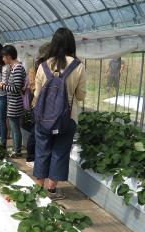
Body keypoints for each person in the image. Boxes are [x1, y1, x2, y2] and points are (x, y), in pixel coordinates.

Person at [32, 28, 86, 200]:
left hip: (44, 118)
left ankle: (38, 188)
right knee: (60, 152)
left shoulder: (43, 66)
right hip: (67, 118)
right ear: (71, 44)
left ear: (53, 44)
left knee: (42, 150)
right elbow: (80, 95)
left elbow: (37, 94)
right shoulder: (78, 66)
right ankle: (51, 190)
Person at [0, 45, 26, 157]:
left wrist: (2, 87)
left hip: (15, 103)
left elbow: (16, 88)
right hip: (13, 102)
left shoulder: (17, 69)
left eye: (4, 57)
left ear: (9, 56)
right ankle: (16, 149)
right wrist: (4, 85)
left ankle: (17, 151)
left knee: (15, 128)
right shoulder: (15, 68)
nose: (3, 59)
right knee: (14, 127)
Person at [26, 42, 50, 167]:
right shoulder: (35, 69)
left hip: (46, 106)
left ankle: (37, 158)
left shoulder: (49, 68)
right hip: (37, 104)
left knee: (39, 132)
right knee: (35, 131)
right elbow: (33, 88)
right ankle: (31, 157)